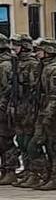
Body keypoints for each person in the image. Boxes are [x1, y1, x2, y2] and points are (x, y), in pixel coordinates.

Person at [31, 39, 56, 189]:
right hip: (42, 109)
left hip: (53, 112)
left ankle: (55, 178)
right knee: (35, 144)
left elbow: (55, 94)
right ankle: (44, 174)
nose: (37, 53)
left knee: (54, 145)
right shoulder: (42, 66)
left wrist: (49, 113)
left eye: (40, 50)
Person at [11, 36, 40, 187]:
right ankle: (28, 170)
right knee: (21, 140)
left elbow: (34, 87)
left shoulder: (32, 63)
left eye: (16, 45)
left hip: (29, 106)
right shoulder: (16, 62)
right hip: (19, 105)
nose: (13, 48)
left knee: (29, 141)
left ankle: (35, 172)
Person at [0, 35, 15, 184]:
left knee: (5, 139)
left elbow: (7, 89)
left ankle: (10, 170)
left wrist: (3, 105)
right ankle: (4, 169)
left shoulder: (5, 65)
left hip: (3, 107)